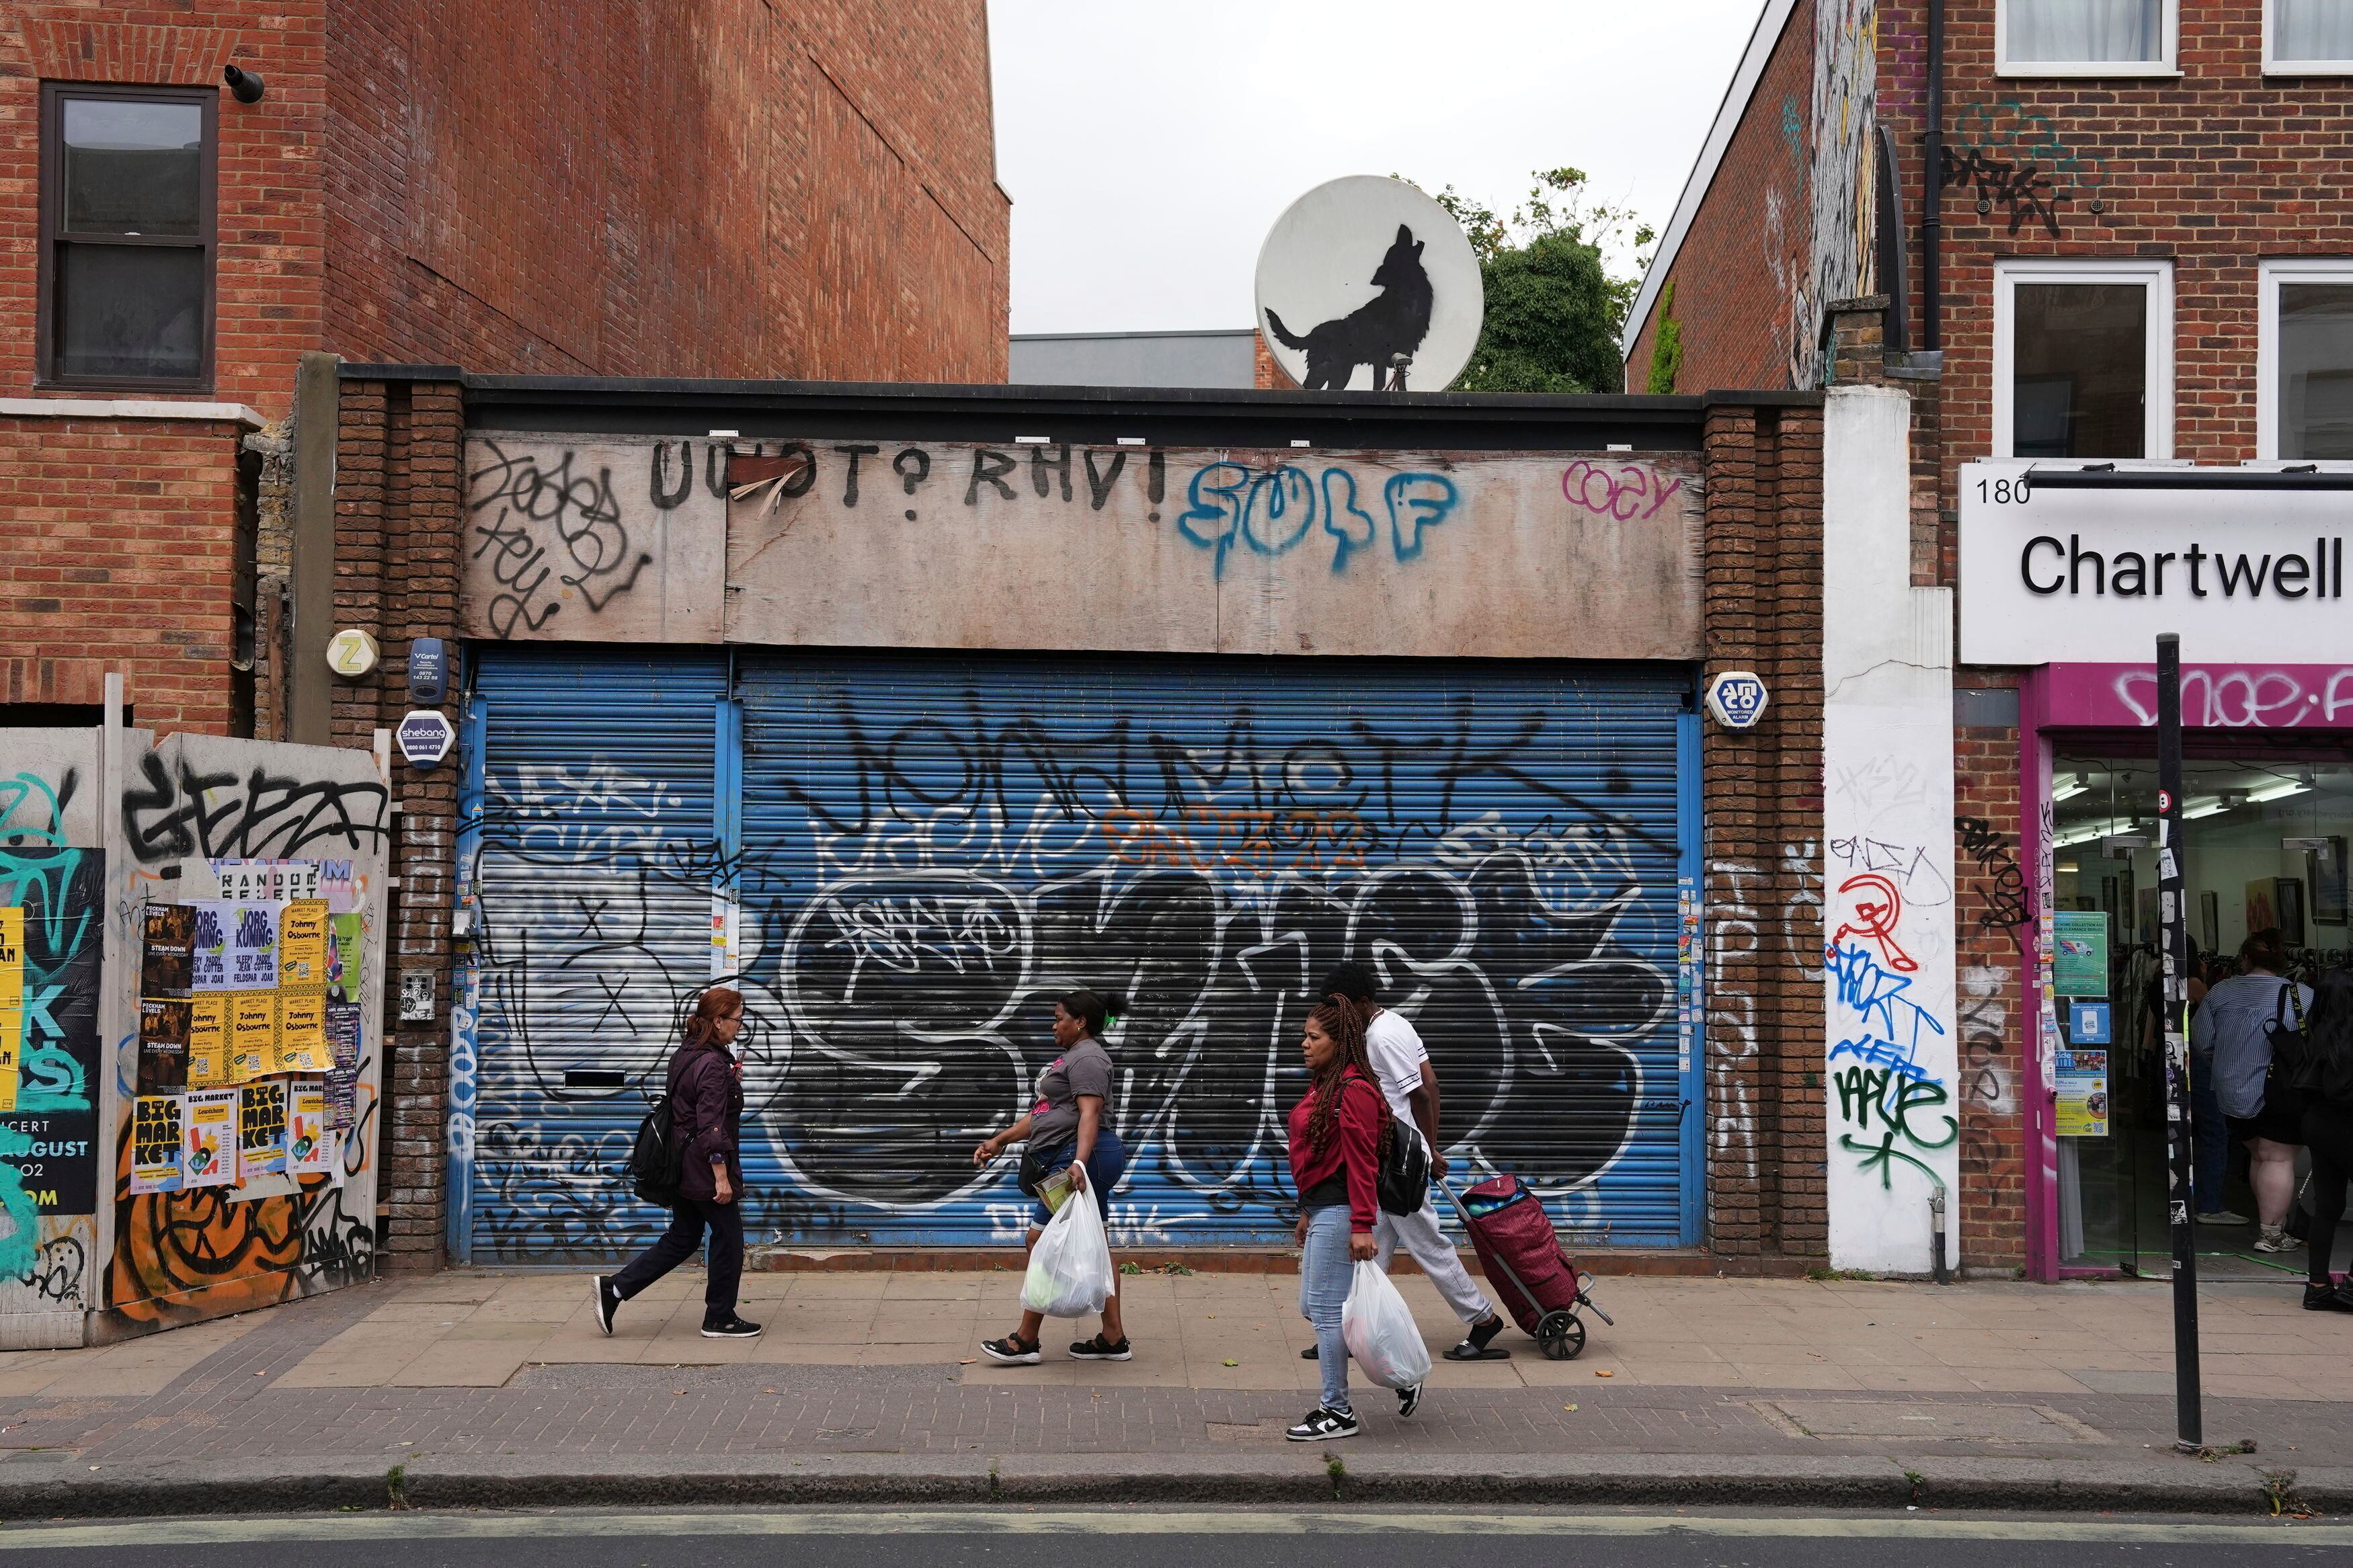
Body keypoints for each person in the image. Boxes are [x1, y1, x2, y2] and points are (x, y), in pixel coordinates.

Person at [1316, 963, 1509, 1362]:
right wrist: (1428, 1147)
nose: (1338, 1017)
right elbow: (1432, 1080)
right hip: (1390, 1161)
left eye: (1343, 1008)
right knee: (1371, 1253)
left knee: (1430, 1247)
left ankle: (1484, 1318)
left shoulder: (1381, 1037)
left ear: (1363, 1002)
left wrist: (1428, 1150)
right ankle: (1352, 1334)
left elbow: (1421, 1093)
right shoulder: (1394, 1023)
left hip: (1402, 1164)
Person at [1284, 999, 1421, 1442]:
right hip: (1323, 1207)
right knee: (1316, 1307)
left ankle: (1337, 1411)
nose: (1304, 1044)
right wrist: (1306, 1209)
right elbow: (1317, 1155)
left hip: (1344, 1210)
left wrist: (1362, 1224)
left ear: (1340, 1043)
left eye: (1314, 1037)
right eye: (1305, 1035)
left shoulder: (1355, 1090)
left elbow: (1361, 1162)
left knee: (1325, 1311)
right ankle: (1401, 1372)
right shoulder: (1324, 1084)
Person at [971, 989, 1131, 1364]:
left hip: (1081, 1161)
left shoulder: (1089, 1057)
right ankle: (1113, 1337)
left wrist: (1077, 1163)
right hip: (1083, 1158)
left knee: (1039, 1240)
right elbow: (1045, 1112)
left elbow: (1090, 1113)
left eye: (1059, 1018)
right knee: (1096, 1247)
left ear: (1081, 1022)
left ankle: (1025, 1340)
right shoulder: (1075, 1056)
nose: (1053, 1025)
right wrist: (1000, 1140)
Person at [593, 987, 762, 1339]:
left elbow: (692, 1106)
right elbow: (711, 1125)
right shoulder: (713, 1064)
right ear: (718, 1022)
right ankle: (720, 1317)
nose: (740, 1026)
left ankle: (615, 1290)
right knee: (729, 1239)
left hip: (681, 1163)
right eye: (737, 1020)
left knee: (684, 1238)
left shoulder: (687, 1053)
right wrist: (721, 1177)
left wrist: (730, 1085)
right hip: (703, 1167)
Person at [2191, 929, 2313, 1253]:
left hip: (2231, 1092)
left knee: (2259, 1155)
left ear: (2245, 958)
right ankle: (2270, 1234)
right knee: (2278, 1159)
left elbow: (2201, 1041)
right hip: (2282, 1093)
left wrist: (2227, 1063)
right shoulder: (2301, 995)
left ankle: (2269, 1223)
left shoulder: (2221, 992)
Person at [2299, 967, 2353, 1311]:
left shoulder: (2313, 1031)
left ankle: (2317, 1285)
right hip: (2347, 1124)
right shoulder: (2349, 1035)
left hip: (2318, 1126)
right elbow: (2342, 1089)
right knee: (2329, 1205)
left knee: (2328, 1207)